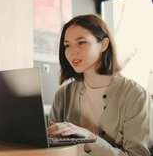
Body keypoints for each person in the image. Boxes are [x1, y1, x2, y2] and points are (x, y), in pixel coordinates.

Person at [47, 14, 153, 155]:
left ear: (103, 44)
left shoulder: (136, 96)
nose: (72, 51)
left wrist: (91, 139)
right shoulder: (63, 94)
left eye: (81, 42)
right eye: (67, 45)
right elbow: (51, 147)